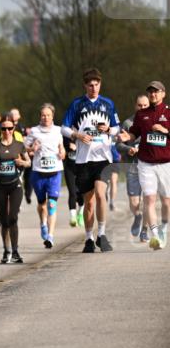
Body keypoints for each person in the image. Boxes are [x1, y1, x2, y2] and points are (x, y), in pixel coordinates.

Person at [61, 67, 120, 253]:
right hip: (84, 160)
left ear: (100, 84)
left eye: (96, 85)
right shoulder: (77, 104)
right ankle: (88, 238)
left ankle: (102, 234)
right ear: (85, 86)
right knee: (89, 202)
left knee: (101, 195)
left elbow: (117, 129)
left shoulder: (108, 104)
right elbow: (63, 128)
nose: (94, 88)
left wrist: (109, 130)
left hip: (103, 157)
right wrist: (78, 135)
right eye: (90, 85)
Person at [121, 80, 170, 250]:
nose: (153, 94)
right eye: (150, 91)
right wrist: (129, 138)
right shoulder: (142, 115)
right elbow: (134, 132)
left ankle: (163, 229)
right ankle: (155, 236)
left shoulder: (168, 113)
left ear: (163, 93)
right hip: (145, 163)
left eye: (156, 91)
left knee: (166, 202)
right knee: (149, 198)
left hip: (165, 163)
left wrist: (165, 131)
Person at [0, 118, 31, 262]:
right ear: (0, 130)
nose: (7, 131)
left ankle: (16, 251)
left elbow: (29, 162)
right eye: (4, 129)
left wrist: (22, 162)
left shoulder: (19, 145)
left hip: (15, 184)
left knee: (13, 217)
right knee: (4, 220)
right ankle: (6, 251)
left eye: (9, 128)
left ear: (14, 129)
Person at [23, 104, 66, 249]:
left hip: (55, 173)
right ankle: (43, 224)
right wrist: (32, 149)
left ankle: (50, 236)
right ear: (39, 116)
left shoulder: (58, 130)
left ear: (52, 116)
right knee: (42, 205)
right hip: (38, 173)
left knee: (52, 205)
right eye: (43, 115)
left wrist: (62, 153)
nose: (45, 117)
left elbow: (63, 149)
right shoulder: (34, 131)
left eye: (48, 115)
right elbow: (24, 149)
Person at [117, 95, 149, 242]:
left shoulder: (154, 123)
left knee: (149, 200)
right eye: (139, 105)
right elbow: (118, 145)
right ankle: (137, 217)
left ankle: (144, 231)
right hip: (132, 167)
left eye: (145, 105)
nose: (142, 108)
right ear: (135, 106)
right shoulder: (128, 123)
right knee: (135, 202)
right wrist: (128, 149)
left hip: (150, 166)